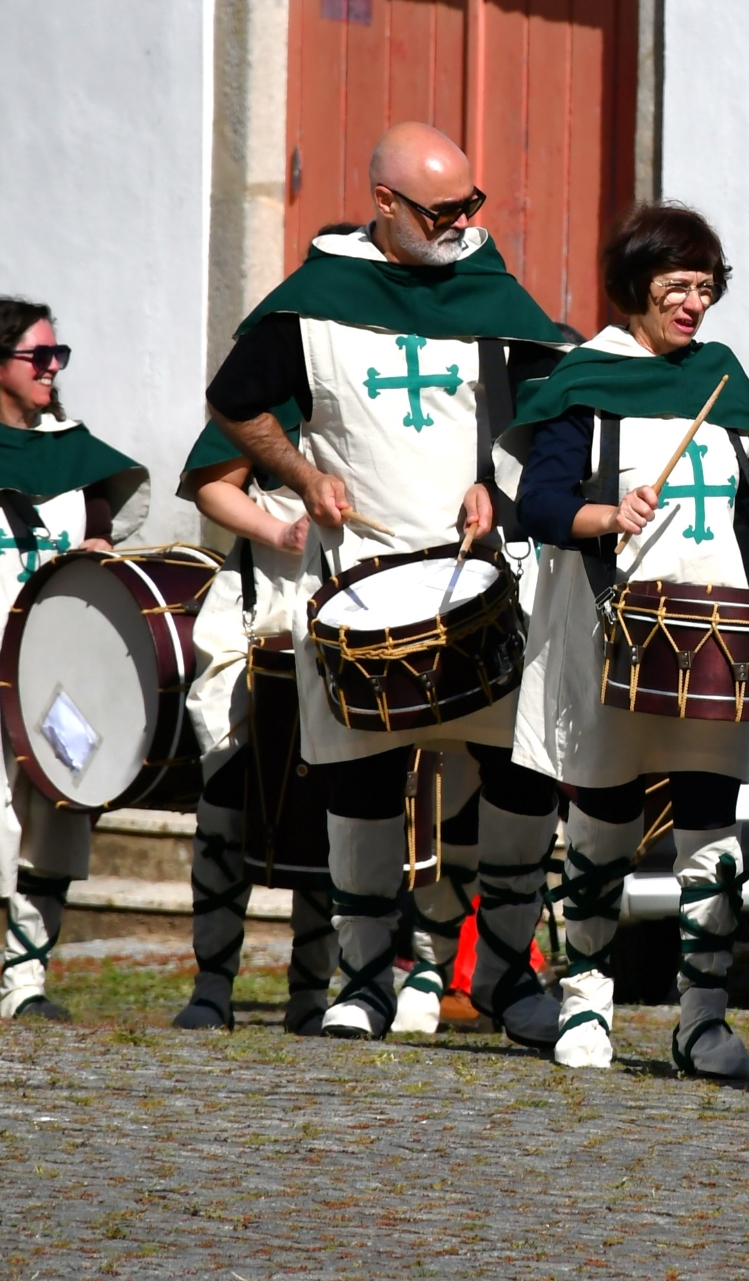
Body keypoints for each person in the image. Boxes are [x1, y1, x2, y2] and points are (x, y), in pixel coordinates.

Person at [205, 122, 567, 1044]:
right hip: (357, 581)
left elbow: (544, 419)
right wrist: (298, 471)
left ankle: (501, 973)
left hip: (481, 576)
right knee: (359, 785)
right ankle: (365, 981)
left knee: (523, 774)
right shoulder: (313, 303)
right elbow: (234, 402)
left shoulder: (489, 290)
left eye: (468, 205)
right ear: (383, 203)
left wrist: (502, 475)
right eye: (441, 210)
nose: (460, 224)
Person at [500, 203, 749, 1076]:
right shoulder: (583, 381)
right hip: (609, 635)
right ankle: (585, 1004)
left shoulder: (719, 377)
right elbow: (538, 503)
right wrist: (605, 512)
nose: (694, 306)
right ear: (636, 287)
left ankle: (702, 1019)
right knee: (601, 824)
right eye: (678, 287)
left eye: (706, 289)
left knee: (711, 830)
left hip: (710, 636)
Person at [0, 297, 148, 1017]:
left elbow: (98, 533)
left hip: (60, 661)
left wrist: (100, 553)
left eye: (57, 355)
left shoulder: (72, 447)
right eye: (39, 356)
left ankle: (26, 983)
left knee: (58, 811)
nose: (52, 368)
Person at [169, 403, 344, 1034]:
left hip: (354, 622)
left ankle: (311, 993)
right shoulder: (271, 398)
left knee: (334, 804)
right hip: (258, 609)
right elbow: (212, 485)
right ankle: (213, 985)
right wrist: (279, 534)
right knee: (226, 791)